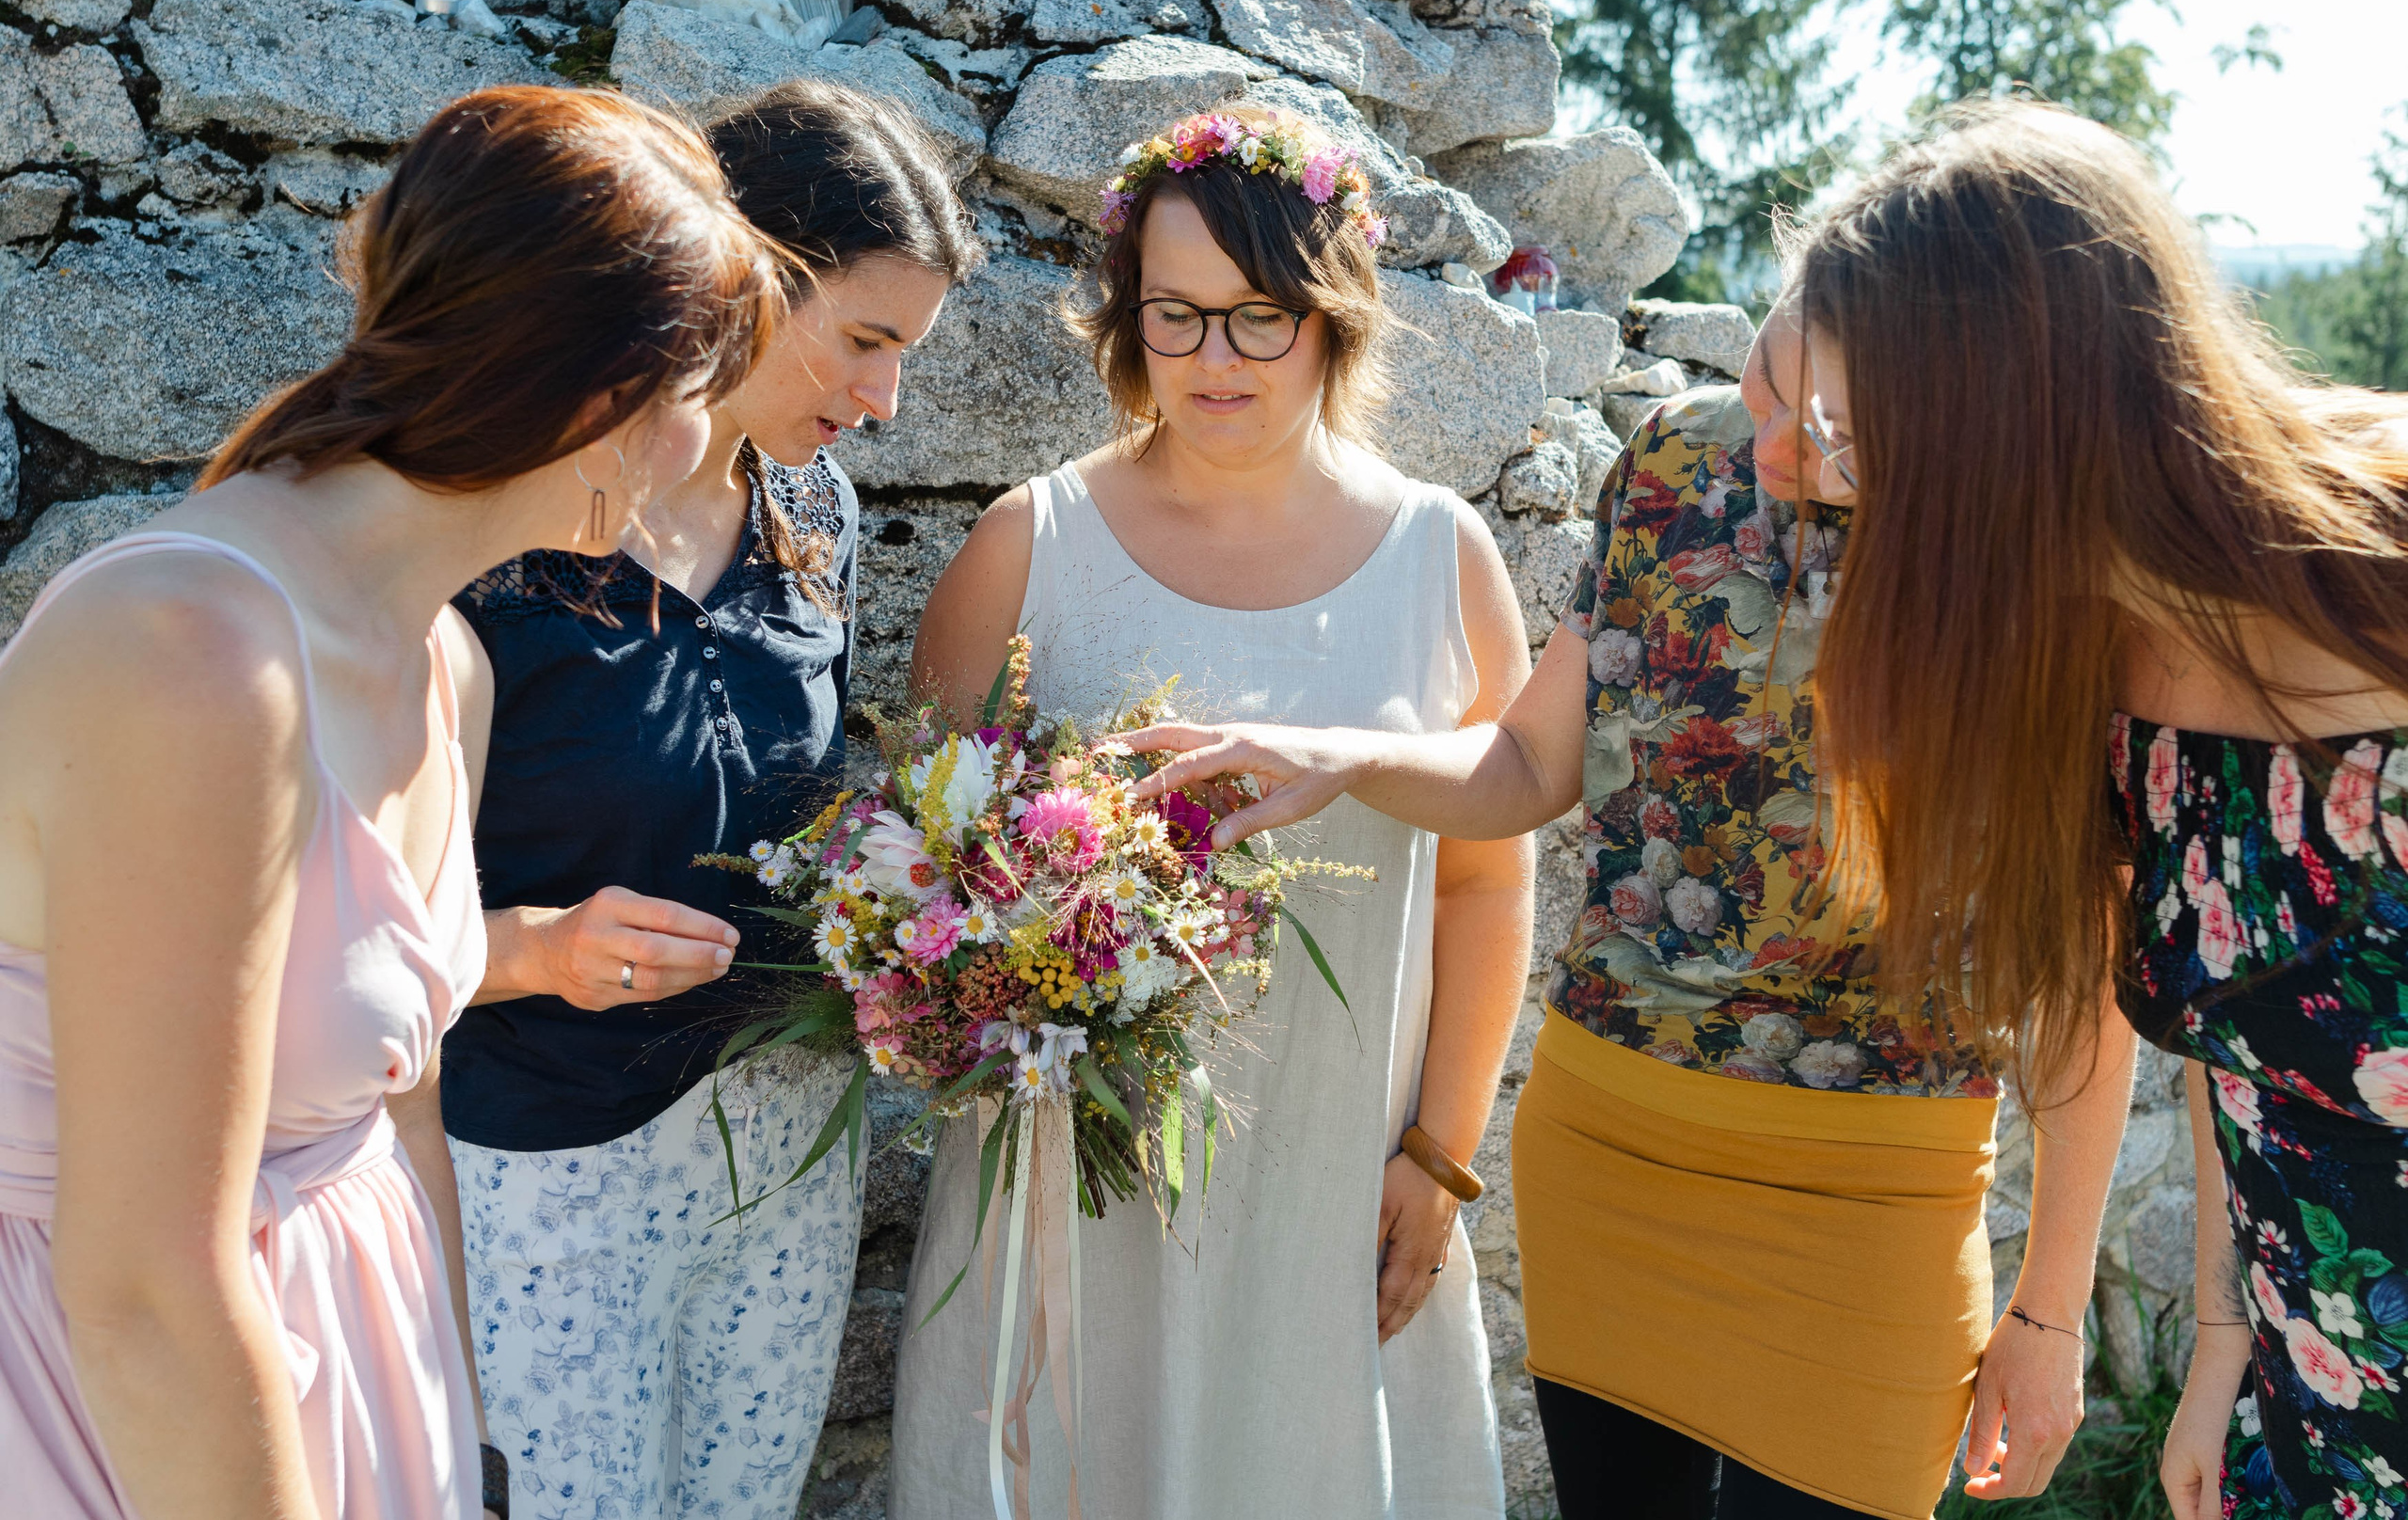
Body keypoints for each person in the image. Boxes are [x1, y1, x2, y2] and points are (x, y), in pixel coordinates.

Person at [1123, 283, 2140, 1514]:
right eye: (1774, 376)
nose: (1771, 448)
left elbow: (2092, 981)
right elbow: (1531, 760)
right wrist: (1349, 754)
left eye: (1838, 440)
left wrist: (2049, 1310)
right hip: (1609, 1164)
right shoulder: (1667, 462)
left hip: (1875, 1214)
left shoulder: (2058, 578)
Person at [0, 86, 781, 1520]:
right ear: (604, 400)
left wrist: (459, 1452)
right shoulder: (191, 653)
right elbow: (145, 1288)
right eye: (698, 396)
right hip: (122, 1432)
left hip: (366, 1394)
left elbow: (402, 1124)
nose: (708, 443)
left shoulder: (446, 662)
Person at [1766, 101, 2408, 1520]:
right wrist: (2224, 1351)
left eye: (1852, 432)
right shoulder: (2099, 666)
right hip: (2312, 1429)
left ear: (1996, 423)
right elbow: (2233, 1048)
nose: (1835, 476)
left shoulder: (2386, 564)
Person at [892, 107, 1533, 1517]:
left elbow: (1489, 883)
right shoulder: (1028, 546)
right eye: (1174, 317)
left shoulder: (1443, 559)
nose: (1213, 362)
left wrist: (1440, 1156)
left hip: (1331, 1186)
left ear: (1334, 316)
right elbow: (913, 881)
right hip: (1075, 1196)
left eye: (1259, 320)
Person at [438, 80, 982, 1520]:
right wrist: (540, 949)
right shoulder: (498, 522)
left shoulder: (823, 520)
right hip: (545, 1162)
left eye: (905, 355)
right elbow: (342, 905)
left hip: (785, 1155)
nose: (883, 401)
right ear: (737, 269)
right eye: (865, 340)